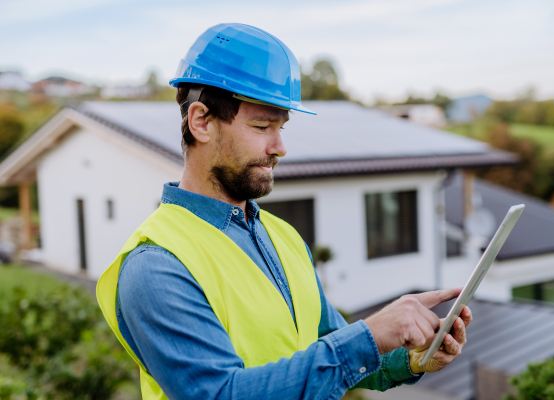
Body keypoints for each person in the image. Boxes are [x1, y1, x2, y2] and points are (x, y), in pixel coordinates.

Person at [97, 23, 472, 400]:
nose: (279, 147)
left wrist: (411, 359)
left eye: (281, 127)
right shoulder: (157, 265)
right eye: (262, 126)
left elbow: (329, 354)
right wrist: (369, 335)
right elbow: (220, 394)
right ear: (201, 122)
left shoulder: (282, 237)